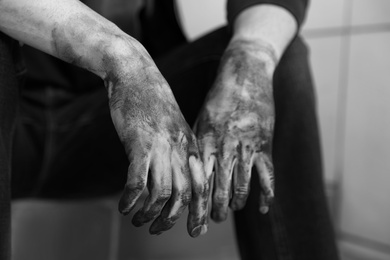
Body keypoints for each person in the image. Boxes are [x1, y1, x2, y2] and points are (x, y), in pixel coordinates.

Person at [0, 0, 340, 259]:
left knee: (266, 63)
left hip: (113, 132)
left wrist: (251, 55)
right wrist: (123, 57)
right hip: (16, 120)